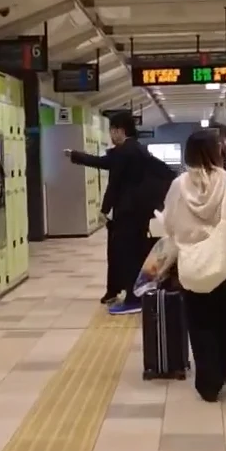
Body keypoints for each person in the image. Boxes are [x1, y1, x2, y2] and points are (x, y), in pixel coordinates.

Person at [161, 129, 226, 401]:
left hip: (192, 265)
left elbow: (168, 225)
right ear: (217, 151)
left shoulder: (178, 185)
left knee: (199, 321)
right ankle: (225, 363)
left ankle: (208, 382)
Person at [67, 114, 172, 314]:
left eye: (112, 131)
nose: (111, 135)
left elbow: (114, 183)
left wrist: (105, 209)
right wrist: (76, 155)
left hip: (129, 212)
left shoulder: (127, 152)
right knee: (133, 252)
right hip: (139, 211)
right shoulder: (136, 149)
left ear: (119, 130)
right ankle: (128, 292)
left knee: (127, 254)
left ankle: (134, 299)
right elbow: (105, 162)